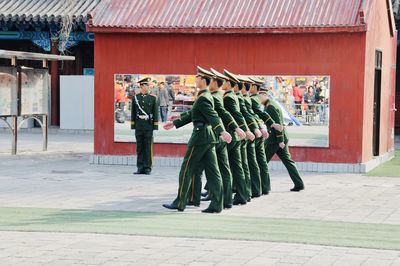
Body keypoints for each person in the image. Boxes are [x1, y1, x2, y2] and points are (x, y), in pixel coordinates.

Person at [162, 66, 232, 213]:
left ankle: (180, 202)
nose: (196, 80)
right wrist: (175, 122)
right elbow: (193, 114)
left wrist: (223, 131)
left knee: (186, 169)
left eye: (198, 78)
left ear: (203, 80)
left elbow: (213, 116)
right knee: (213, 172)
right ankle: (217, 204)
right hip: (208, 138)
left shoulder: (203, 98)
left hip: (200, 137)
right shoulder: (205, 96)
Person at [259, 88, 305, 192]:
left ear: (265, 95)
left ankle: (264, 187)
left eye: (259, 95)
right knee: (288, 161)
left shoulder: (270, 106)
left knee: (261, 162)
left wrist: (280, 141)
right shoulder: (271, 104)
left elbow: (278, 124)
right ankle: (299, 184)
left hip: (275, 140)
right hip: (279, 138)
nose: (258, 98)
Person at [222, 69, 255, 205]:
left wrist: (245, 130)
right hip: (237, 135)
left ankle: (228, 196)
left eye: (224, 81)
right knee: (239, 167)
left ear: (230, 84)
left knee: (228, 167)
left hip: (232, 135)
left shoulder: (229, 97)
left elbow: (237, 114)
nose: (222, 83)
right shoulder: (234, 96)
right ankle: (243, 194)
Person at [249, 76, 283, 195]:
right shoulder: (257, 101)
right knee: (260, 162)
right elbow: (261, 115)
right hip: (260, 132)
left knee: (252, 163)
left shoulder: (253, 100)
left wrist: (274, 128)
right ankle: (263, 187)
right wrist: (272, 124)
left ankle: (252, 189)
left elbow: (250, 116)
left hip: (253, 133)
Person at [131, 77, 159, 175]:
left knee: (148, 147)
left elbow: (155, 112)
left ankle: (147, 167)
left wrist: (155, 126)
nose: (147, 86)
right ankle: (140, 167)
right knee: (139, 147)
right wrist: (133, 125)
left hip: (148, 126)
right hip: (139, 126)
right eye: (146, 85)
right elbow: (133, 112)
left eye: (148, 85)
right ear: (141, 86)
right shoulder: (136, 98)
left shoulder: (153, 98)